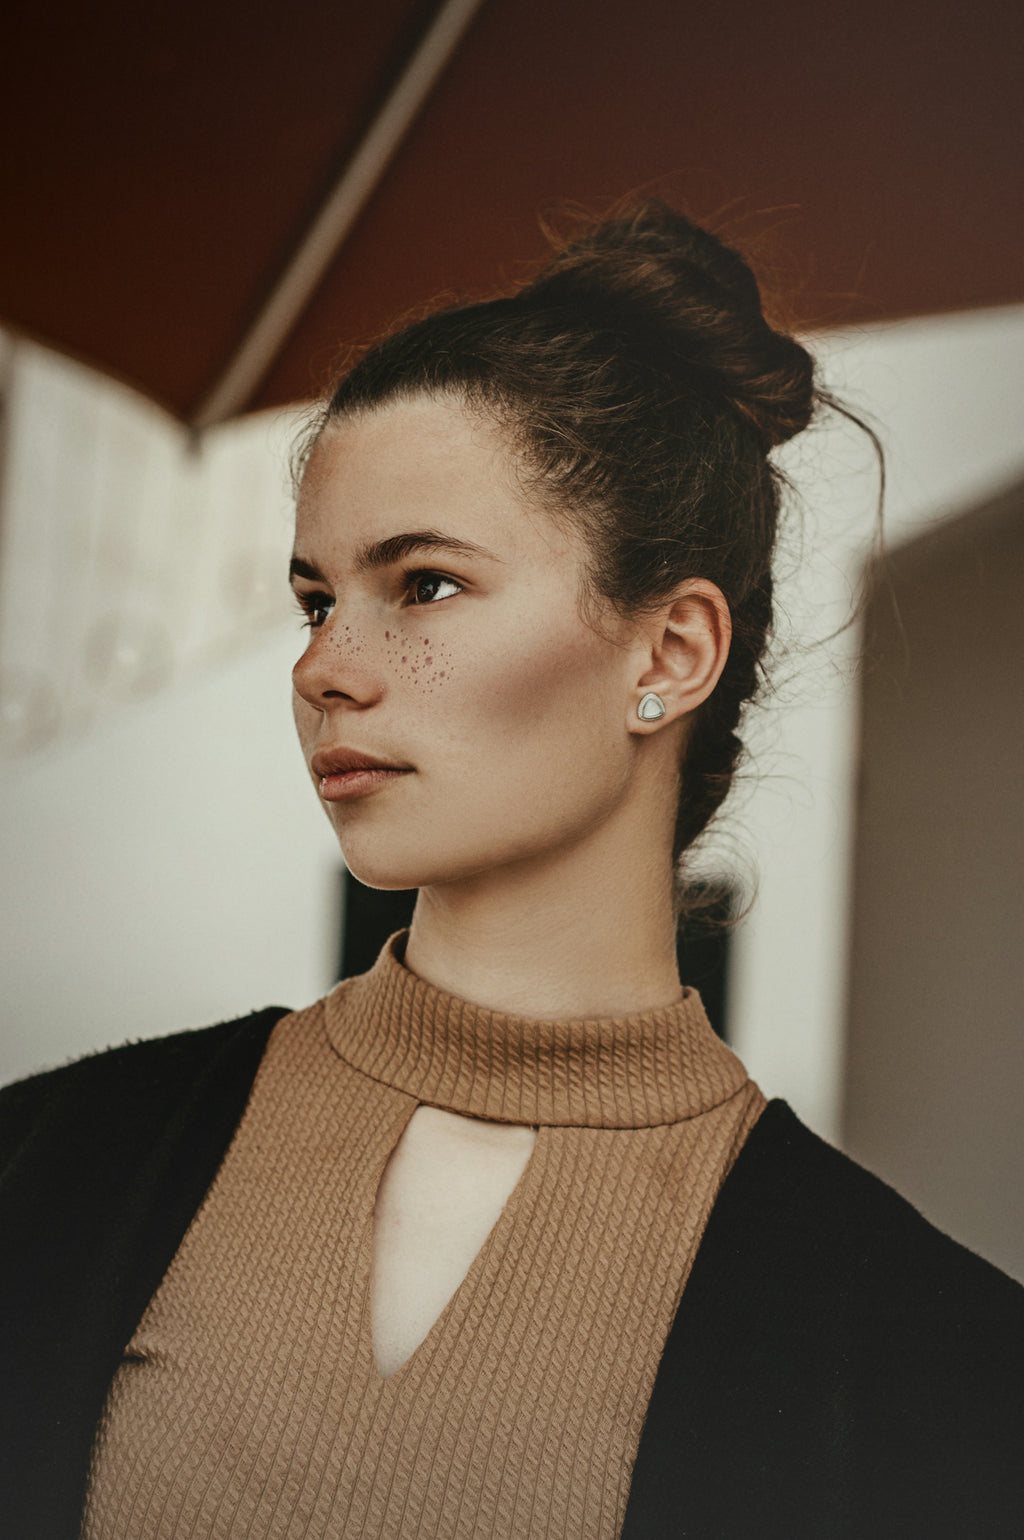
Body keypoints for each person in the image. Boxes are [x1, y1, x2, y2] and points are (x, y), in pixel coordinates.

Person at [1, 201, 1021, 1540]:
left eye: (422, 585)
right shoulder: (46, 1167)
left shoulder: (930, 1366)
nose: (322, 667)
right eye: (315, 600)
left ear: (669, 655)